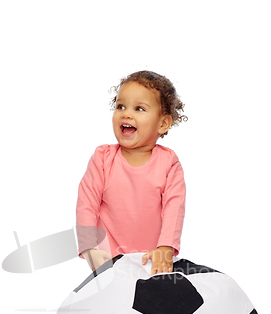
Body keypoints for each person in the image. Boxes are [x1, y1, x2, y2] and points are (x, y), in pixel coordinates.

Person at [76, 70, 188, 276]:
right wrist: (89, 248)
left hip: (152, 260)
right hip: (107, 260)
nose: (126, 113)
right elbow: (86, 204)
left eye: (139, 108)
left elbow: (174, 208)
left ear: (162, 123)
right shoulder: (102, 158)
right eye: (120, 106)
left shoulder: (168, 163)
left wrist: (166, 247)